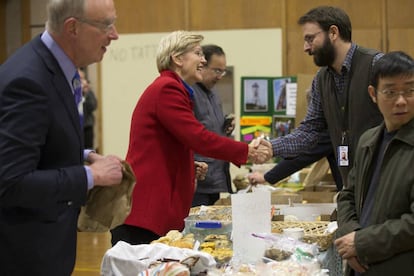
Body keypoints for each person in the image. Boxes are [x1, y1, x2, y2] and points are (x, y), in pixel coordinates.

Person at [110, 30, 272, 246]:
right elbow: (198, 137)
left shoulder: (175, 89)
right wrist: (246, 151)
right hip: (147, 210)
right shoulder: (167, 89)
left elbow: (172, 142)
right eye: (198, 53)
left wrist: (188, 164)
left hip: (155, 206)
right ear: (177, 59)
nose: (203, 60)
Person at [0, 1, 122, 275]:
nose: (114, 35)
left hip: (48, 247)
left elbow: (42, 142)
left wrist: (85, 155)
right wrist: (92, 176)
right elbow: (11, 182)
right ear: (73, 28)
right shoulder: (28, 81)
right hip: (26, 255)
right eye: (106, 25)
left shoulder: (56, 68)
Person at [262, 6, 384, 188]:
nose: (305, 48)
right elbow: (310, 131)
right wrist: (271, 147)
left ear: (333, 33)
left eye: (310, 39)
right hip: (350, 187)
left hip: (384, 183)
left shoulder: (376, 65)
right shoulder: (321, 79)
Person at [335, 51, 414, 275]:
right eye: (390, 92)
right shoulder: (368, 140)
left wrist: (362, 243)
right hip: (360, 265)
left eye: (410, 90)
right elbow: (347, 196)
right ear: (373, 94)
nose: (401, 100)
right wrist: (352, 238)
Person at [191, 44, 234, 207]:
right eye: (217, 70)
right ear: (202, 65)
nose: (220, 76)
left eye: (223, 71)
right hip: (199, 183)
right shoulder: (190, 92)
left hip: (217, 179)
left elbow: (209, 127)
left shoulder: (214, 94)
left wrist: (225, 125)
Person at [79, 68, 98, 149]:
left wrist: (85, 93)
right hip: (77, 127)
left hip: (87, 126)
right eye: (80, 79)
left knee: (89, 150)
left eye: (84, 78)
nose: (83, 81)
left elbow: (93, 106)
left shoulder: (88, 91)